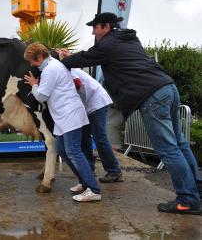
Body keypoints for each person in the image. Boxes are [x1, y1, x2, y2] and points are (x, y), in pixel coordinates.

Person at [59, 12, 202, 215]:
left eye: (95, 27)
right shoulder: (128, 39)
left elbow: (85, 58)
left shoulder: (107, 45)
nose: (93, 31)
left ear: (106, 27)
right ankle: (197, 190)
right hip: (167, 87)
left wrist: (61, 59)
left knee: (168, 150)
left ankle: (188, 200)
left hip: (151, 96)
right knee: (179, 144)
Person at [23, 42, 101, 202]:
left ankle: (93, 189)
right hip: (64, 116)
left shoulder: (50, 70)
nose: (31, 65)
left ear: (39, 57)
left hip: (69, 114)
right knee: (61, 149)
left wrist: (34, 85)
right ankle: (84, 182)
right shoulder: (52, 66)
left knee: (73, 151)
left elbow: (42, 96)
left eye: (32, 61)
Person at [67, 68, 123, 193]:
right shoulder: (66, 68)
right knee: (84, 137)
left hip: (96, 103)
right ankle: (89, 168)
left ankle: (114, 171)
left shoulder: (67, 70)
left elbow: (77, 84)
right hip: (87, 105)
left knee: (100, 138)